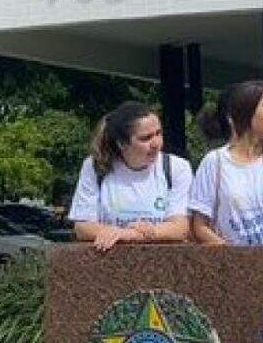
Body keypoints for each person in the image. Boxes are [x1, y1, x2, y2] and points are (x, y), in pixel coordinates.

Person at [188, 80, 263, 247]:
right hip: (235, 263)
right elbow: (199, 226)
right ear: (246, 112)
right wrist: (236, 258)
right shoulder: (215, 162)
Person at [70, 103, 193, 248]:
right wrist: (118, 233)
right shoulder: (95, 166)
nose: (156, 143)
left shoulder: (177, 167)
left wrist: (138, 234)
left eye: (158, 133)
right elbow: (82, 226)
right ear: (122, 143)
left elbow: (180, 228)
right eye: (145, 138)